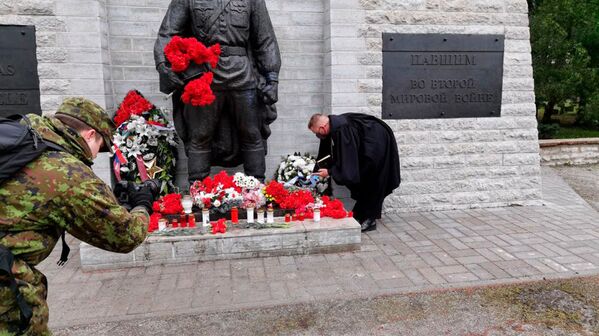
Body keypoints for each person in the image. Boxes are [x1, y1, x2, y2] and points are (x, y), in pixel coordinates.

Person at [0, 98, 155, 335]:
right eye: (101, 147)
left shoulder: (30, 134)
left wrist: (108, 199)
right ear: (90, 134)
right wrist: (142, 204)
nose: (95, 156)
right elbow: (127, 235)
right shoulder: (67, 172)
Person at [154, 0, 281, 183]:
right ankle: (198, 191)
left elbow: (265, 39)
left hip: (242, 73)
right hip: (204, 73)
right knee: (200, 135)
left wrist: (272, 77)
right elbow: (168, 33)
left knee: (252, 133)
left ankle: (256, 190)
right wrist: (163, 65)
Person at [309, 113, 401, 232]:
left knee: (373, 181)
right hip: (369, 145)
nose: (318, 136)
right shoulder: (333, 124)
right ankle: (360, 214)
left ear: (323, 128)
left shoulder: (342, 130)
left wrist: (330, 171)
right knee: (365, 182)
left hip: (376, 146)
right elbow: (335, 154)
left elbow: (348, 159)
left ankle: (370, 219)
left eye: (317, 133)